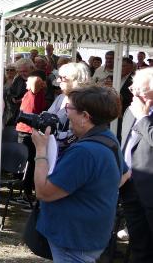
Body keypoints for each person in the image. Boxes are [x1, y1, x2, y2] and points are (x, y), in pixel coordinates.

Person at [32, 85, 130, 262]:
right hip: (91, 233)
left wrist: (40, 150)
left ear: (85, 116)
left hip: (75, 238)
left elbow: (43, 192)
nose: (66, 113)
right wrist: (97, 191)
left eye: (70, 108)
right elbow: (125, 173)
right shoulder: (108, 137)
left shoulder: (84, 152)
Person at [119, 67, 153, 262]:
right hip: (129, 185)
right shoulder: (132, 109)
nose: (134, 93)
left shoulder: (139, 112)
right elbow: (125, 143)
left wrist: (143, 117)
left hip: (149, 190)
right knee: (138, 244)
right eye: (133, 88)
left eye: (140, 89)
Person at [16, 70, 47, 203]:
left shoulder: (35, 92)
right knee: (27, 163)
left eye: (28, 80)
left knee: (29, 164)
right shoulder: (30, 93)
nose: (26, 82)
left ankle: (27, 193)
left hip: (28, 132)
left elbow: (35, 82)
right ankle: (25, 191)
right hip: (24, 131)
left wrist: (34, 79)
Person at [47, 62, 91, 154]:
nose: (58, 81)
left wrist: (52, 134)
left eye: (62, 78)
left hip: (74, 151)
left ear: (75, 80)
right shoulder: (61, 97)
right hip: (54, 149)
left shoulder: (85, 102)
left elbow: (75, 134)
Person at [5, 58, 35, 126]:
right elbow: (11, 93)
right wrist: (13, 99)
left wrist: (25, 100)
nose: (22, 74)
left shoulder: (38, 79)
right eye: (20, 71)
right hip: (18, 115)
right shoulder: (18, 78)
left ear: (32, 68)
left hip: (32, 116)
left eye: (25, 71)